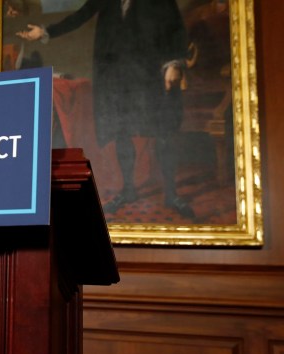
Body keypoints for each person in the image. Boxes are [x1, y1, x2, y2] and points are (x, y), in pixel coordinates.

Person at [19, 0, 194, 218]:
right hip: (117, 76)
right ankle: (128, 190)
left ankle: (171, 193)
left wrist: (174, 64)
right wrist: (44, 32)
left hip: (152, 74)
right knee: (122, 133)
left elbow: (175, 28)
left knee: (163, 133)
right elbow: (80, 16)